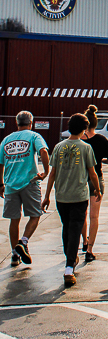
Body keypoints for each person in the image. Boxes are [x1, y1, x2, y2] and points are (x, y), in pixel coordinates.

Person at [41, 113, 101, 287]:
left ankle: (70, 258)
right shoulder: (85, 148)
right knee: (75, 228)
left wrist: (46, 196)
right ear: (84, 129)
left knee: (67, 227)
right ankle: (69, 267)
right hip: (79, 196)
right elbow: (92, 172)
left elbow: (52, 174)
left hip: (62, 196)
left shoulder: (59, 147)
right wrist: (97, 189)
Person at [0, 111, 49, 267]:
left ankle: (15, 255)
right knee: (35, 215)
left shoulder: (6, 140)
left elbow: (0, 163)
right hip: (29, 182)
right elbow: (43, 151)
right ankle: (24, 241)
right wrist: (45, 172)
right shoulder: (34, 136)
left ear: (17, 123)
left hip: (10, 184)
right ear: (31, 122)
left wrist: (1, 184)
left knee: (14, 220)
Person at [80, 104, 108, 262]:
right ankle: (90, 249)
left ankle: (83, 240)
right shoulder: (101, 139)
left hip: (80, 179)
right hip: (97, 178)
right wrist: (99, 159)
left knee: (82, 214)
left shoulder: (79, 140)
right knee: (94, 216)